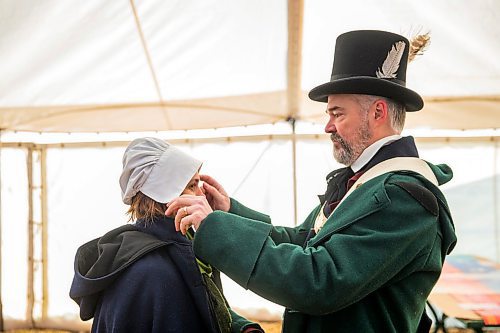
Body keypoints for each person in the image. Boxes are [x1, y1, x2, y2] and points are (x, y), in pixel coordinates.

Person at [165, 30, 457, 333]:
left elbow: (318, 280)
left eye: (337, 113)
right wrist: (228, 213)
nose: (328, 126)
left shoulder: (405, 198)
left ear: (378, 112)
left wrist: (215, 230)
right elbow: (303, 242)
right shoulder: (362, 183)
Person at [69, 137, 264, 333]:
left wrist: (241, 329)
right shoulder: (153, 271)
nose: (203, 194)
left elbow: (206, 308)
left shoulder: (185, 249)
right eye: (192, 185)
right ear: (168, 194)